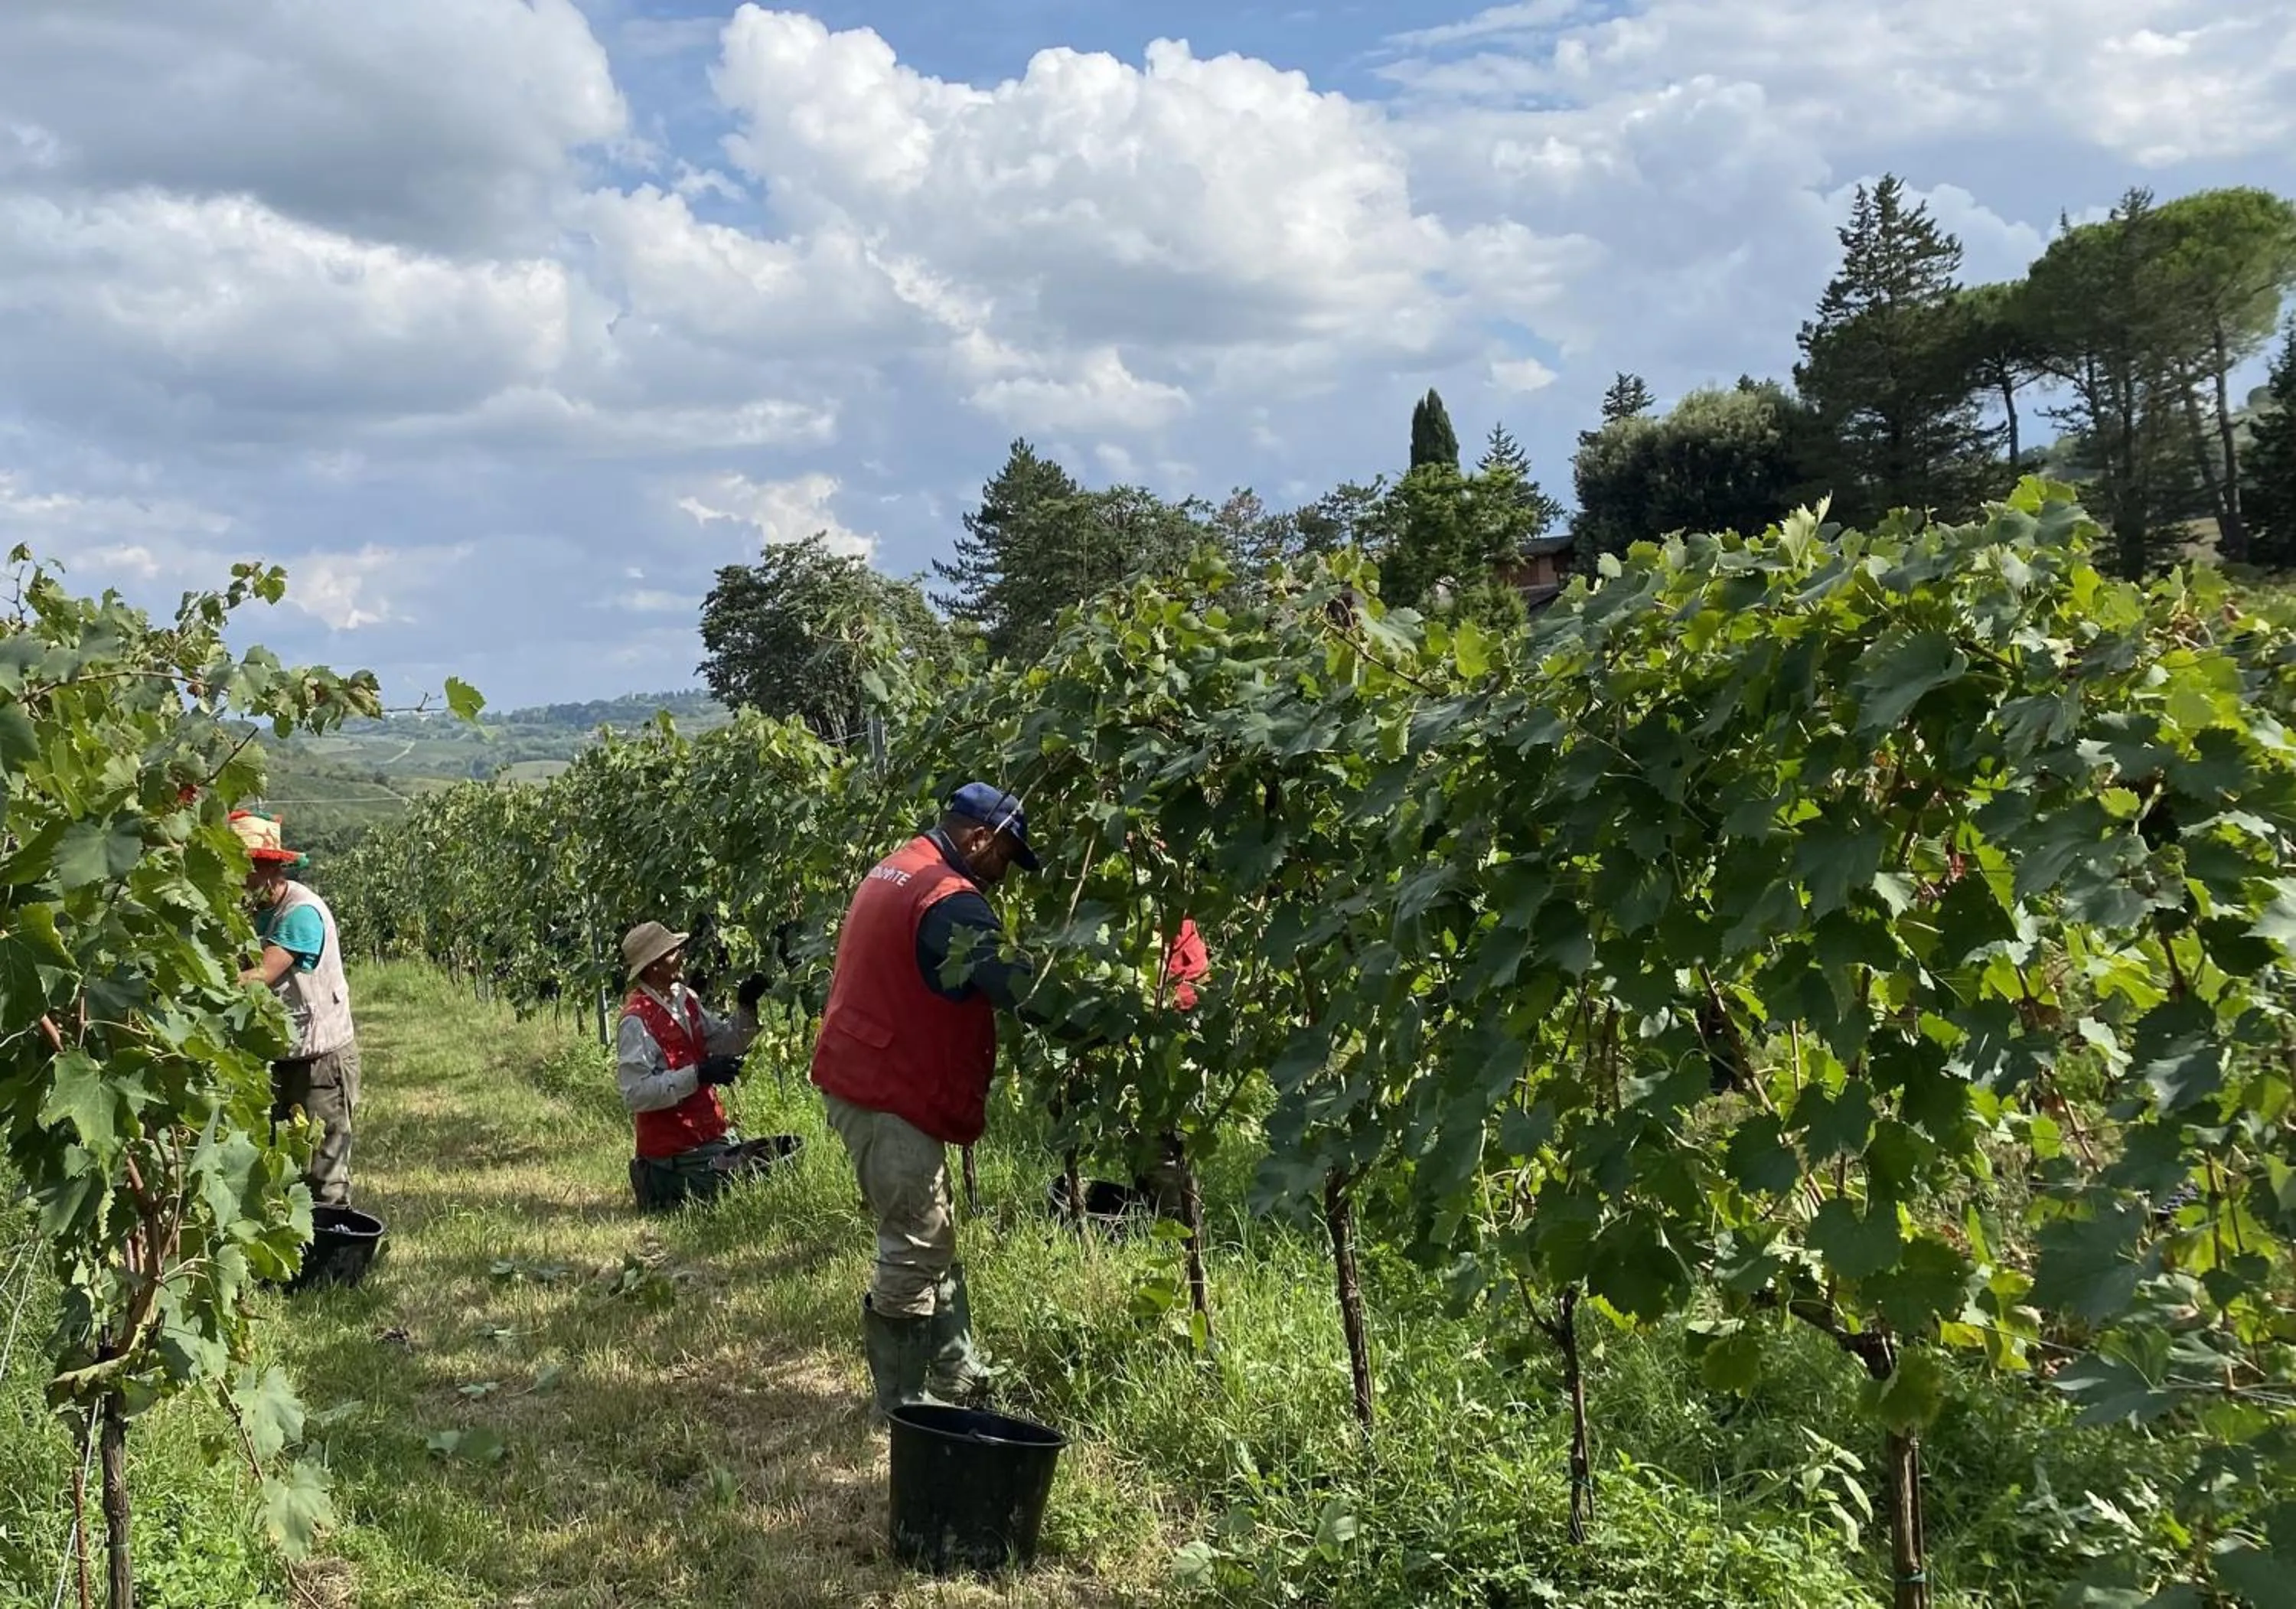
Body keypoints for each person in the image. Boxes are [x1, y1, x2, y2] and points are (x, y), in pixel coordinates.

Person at [811, 781, 1087, 1416]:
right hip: (887, 1087)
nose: (1006, 876)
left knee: (929, 1228)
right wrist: (1098, 1020)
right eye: (1006, 858)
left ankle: (958, 1373)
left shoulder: (901, 866)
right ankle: (904, 1407)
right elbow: (1018, 987)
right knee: (914, 1241)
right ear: (979, 837)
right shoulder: (948, 901)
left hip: (868, 1072)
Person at [233, 811, 360, 1206]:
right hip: (281, 1055)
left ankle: (332, 1263)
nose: (236, 879)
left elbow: (261, 975)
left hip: (318, 1062)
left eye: (243, 869)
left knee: (322, 1168)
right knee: (281, 1164)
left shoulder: (301, 913)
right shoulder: (250, 911)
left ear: (269, 869)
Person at [617, 921, 772, 1210]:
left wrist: (747, 1007)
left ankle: (681, 1181)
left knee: (768, 1164)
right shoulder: (636, 1022)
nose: (681, 955)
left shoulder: (685, 1000)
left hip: (709, 1135)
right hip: (674, 1150)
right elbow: (635, 1093)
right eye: (672, 951)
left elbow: (725, 1042)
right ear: (653, 966)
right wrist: (698, 1074)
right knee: (744, 1189)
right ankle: (658, 1184)